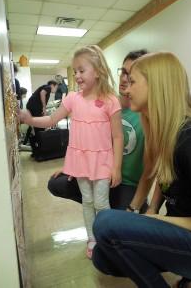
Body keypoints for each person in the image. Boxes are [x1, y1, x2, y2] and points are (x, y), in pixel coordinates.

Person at [92, 52, 191, 288]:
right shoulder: (166, 133)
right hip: (186, 237)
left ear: (156, 86)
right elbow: (165, 177)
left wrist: (160, 220)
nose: (126, 90)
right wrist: (153, 209)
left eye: (133, 82)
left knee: (105, 222)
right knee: (102, 256)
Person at [19, 45, 124, 259]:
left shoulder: (111, 100)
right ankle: (92, 238)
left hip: (103, 160)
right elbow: (50, 119)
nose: (76, 75)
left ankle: (106, 237)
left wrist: (116, 167)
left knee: (102, 202)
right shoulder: (73, 99)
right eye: (74, 71)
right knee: (87, 200)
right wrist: (29, 120)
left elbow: (117, 136)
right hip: (81, 161)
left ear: (98, 70)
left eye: (81, 70)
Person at [48, 50, 151, 212]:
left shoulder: (146, 115)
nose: (124, 78)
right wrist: (75, 166)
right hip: (99, 170)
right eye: (123, 72)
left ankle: (116, 207)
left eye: (131, 74)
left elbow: (150, 169)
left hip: (127, 183)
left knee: (125, 221)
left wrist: (135, 205)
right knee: (56, 183)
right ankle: (96, 204)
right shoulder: (106, 101)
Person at [23, 80, 58, 145]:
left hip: (31, 105)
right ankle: (40, 143)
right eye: (56, 88)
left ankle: (28, 142)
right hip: (35, 106)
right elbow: (42, 93)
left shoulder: (45, 87)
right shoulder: (48, 87)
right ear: (53, 85)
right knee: (39, 125)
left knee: (33, 124)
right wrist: (44, 107)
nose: (56, 90)